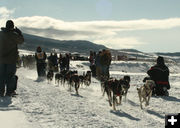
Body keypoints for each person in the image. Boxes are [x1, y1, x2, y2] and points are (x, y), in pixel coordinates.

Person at [0, 20, 24, 96]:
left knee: (1, 76)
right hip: (11, 60)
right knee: (10, 76)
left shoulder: (0, 34)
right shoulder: (13, 35)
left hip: (1, 60)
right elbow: (21, 41)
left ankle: (0, 92)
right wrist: (19, 33)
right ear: (12, 27)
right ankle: (9, 92)